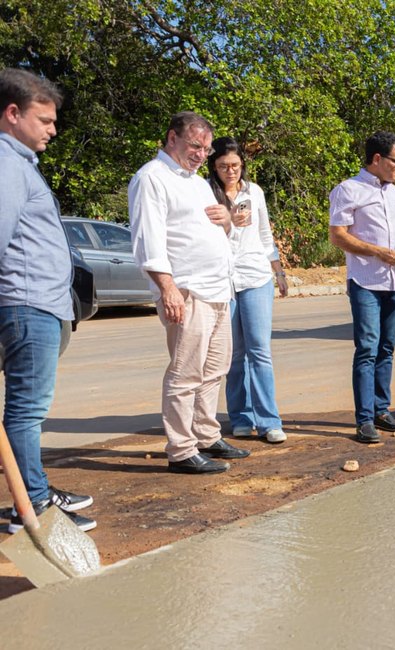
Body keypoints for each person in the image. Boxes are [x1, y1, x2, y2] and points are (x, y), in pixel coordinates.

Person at [0, 69, 96, 531]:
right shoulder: (6, 164)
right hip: (26, 304)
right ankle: (32, 505)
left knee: (27, 408)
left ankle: (33, 493)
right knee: (27, 409)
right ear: (12, 113)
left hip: (37, 304)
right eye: (45, 120)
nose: (53, 130)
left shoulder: (20, 164)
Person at [130, 111, 250, 474]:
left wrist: (227, 222)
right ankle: (181, 449)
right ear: (172, 138)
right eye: (195, 145)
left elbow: (213, 230)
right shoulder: (152, 178)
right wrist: (167, 288)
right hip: (187, 290)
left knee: (214, 369)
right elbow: (147, 240)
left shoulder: (197, 183)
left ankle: (206, 435)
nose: (201, 154)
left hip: (218, 289)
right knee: (185, 372)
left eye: (206, 149)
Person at [329, 131, 395, 444]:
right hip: (365, 281)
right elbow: (338, 235)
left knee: (386, 348)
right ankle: (364, 419)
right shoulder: (348, 190)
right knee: (367, 348)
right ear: (377, 159)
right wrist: (376, 252)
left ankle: (381, 410)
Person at [207, 137, 288, 444]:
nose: (231, 172)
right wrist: (228, 222)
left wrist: (278, 271)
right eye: (224, 166)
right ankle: (241, 417)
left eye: (236, 165)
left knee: (259, 351)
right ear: (213, 167)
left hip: (255, 276)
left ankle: (269, 421)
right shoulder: (206, 194)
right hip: (223, 280)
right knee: (234, 354)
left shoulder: (254, 192)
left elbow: (265, 234)